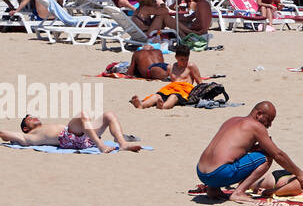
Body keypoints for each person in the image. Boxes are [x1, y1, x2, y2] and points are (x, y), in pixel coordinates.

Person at [195, 101, 303, 201]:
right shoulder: (256, 126)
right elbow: (277, 154)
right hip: (219, 174)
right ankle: (239, 192)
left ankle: (213, 189)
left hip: (201, 172)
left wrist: (252, 148)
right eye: (269, 120)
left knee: (236, 158)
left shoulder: (232, 120)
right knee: (266, 156)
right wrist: (299, 173)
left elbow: (231, 147)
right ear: (259, 114)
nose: (269, 125)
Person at [3, 111, 142, 153]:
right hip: (68, 137)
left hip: (85, 136)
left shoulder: (44, 126)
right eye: (29, 118)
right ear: (25, 128)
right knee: (82, 115)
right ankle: (100, 145)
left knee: (109, 115)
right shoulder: (27, 136)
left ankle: (122, 143)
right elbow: (3, 133)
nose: (34, 117)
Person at [130, 45, 203, 109]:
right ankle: (141, 105)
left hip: (184, 90)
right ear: (176, 57)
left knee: (173, 97)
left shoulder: (190, 66)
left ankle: (163, 106)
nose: (184, 62)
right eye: (182, 59)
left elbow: (199, 82)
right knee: (157, 96)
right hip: (170, 88)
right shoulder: (170, 67)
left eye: (186, 59)